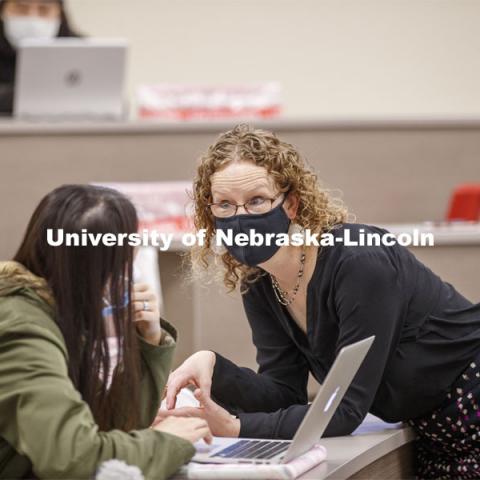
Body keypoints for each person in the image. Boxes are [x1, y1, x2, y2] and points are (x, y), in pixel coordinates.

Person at [161, 124, 480, 479]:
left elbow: (343, 409)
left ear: (292, 204)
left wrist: (236, 427)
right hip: (434, 434)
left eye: (256, 200)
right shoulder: (260, 282)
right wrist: (214, 367)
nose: (241, 218)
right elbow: (285, 392)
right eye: (224, 205)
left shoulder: (360, 261)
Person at [0, 184, 211, 479]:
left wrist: (148, 341)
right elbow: (75, 458)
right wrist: (169, 441)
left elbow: (116, 427)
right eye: (124, 261)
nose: (129, 274)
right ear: (94, 268)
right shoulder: (23, 330)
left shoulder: (58, 313)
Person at [0, 0, 78, 114]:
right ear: (3, 11)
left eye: (43, 10)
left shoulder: (81, 52)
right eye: (21, 8)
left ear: (60, 15)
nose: (32, 18)